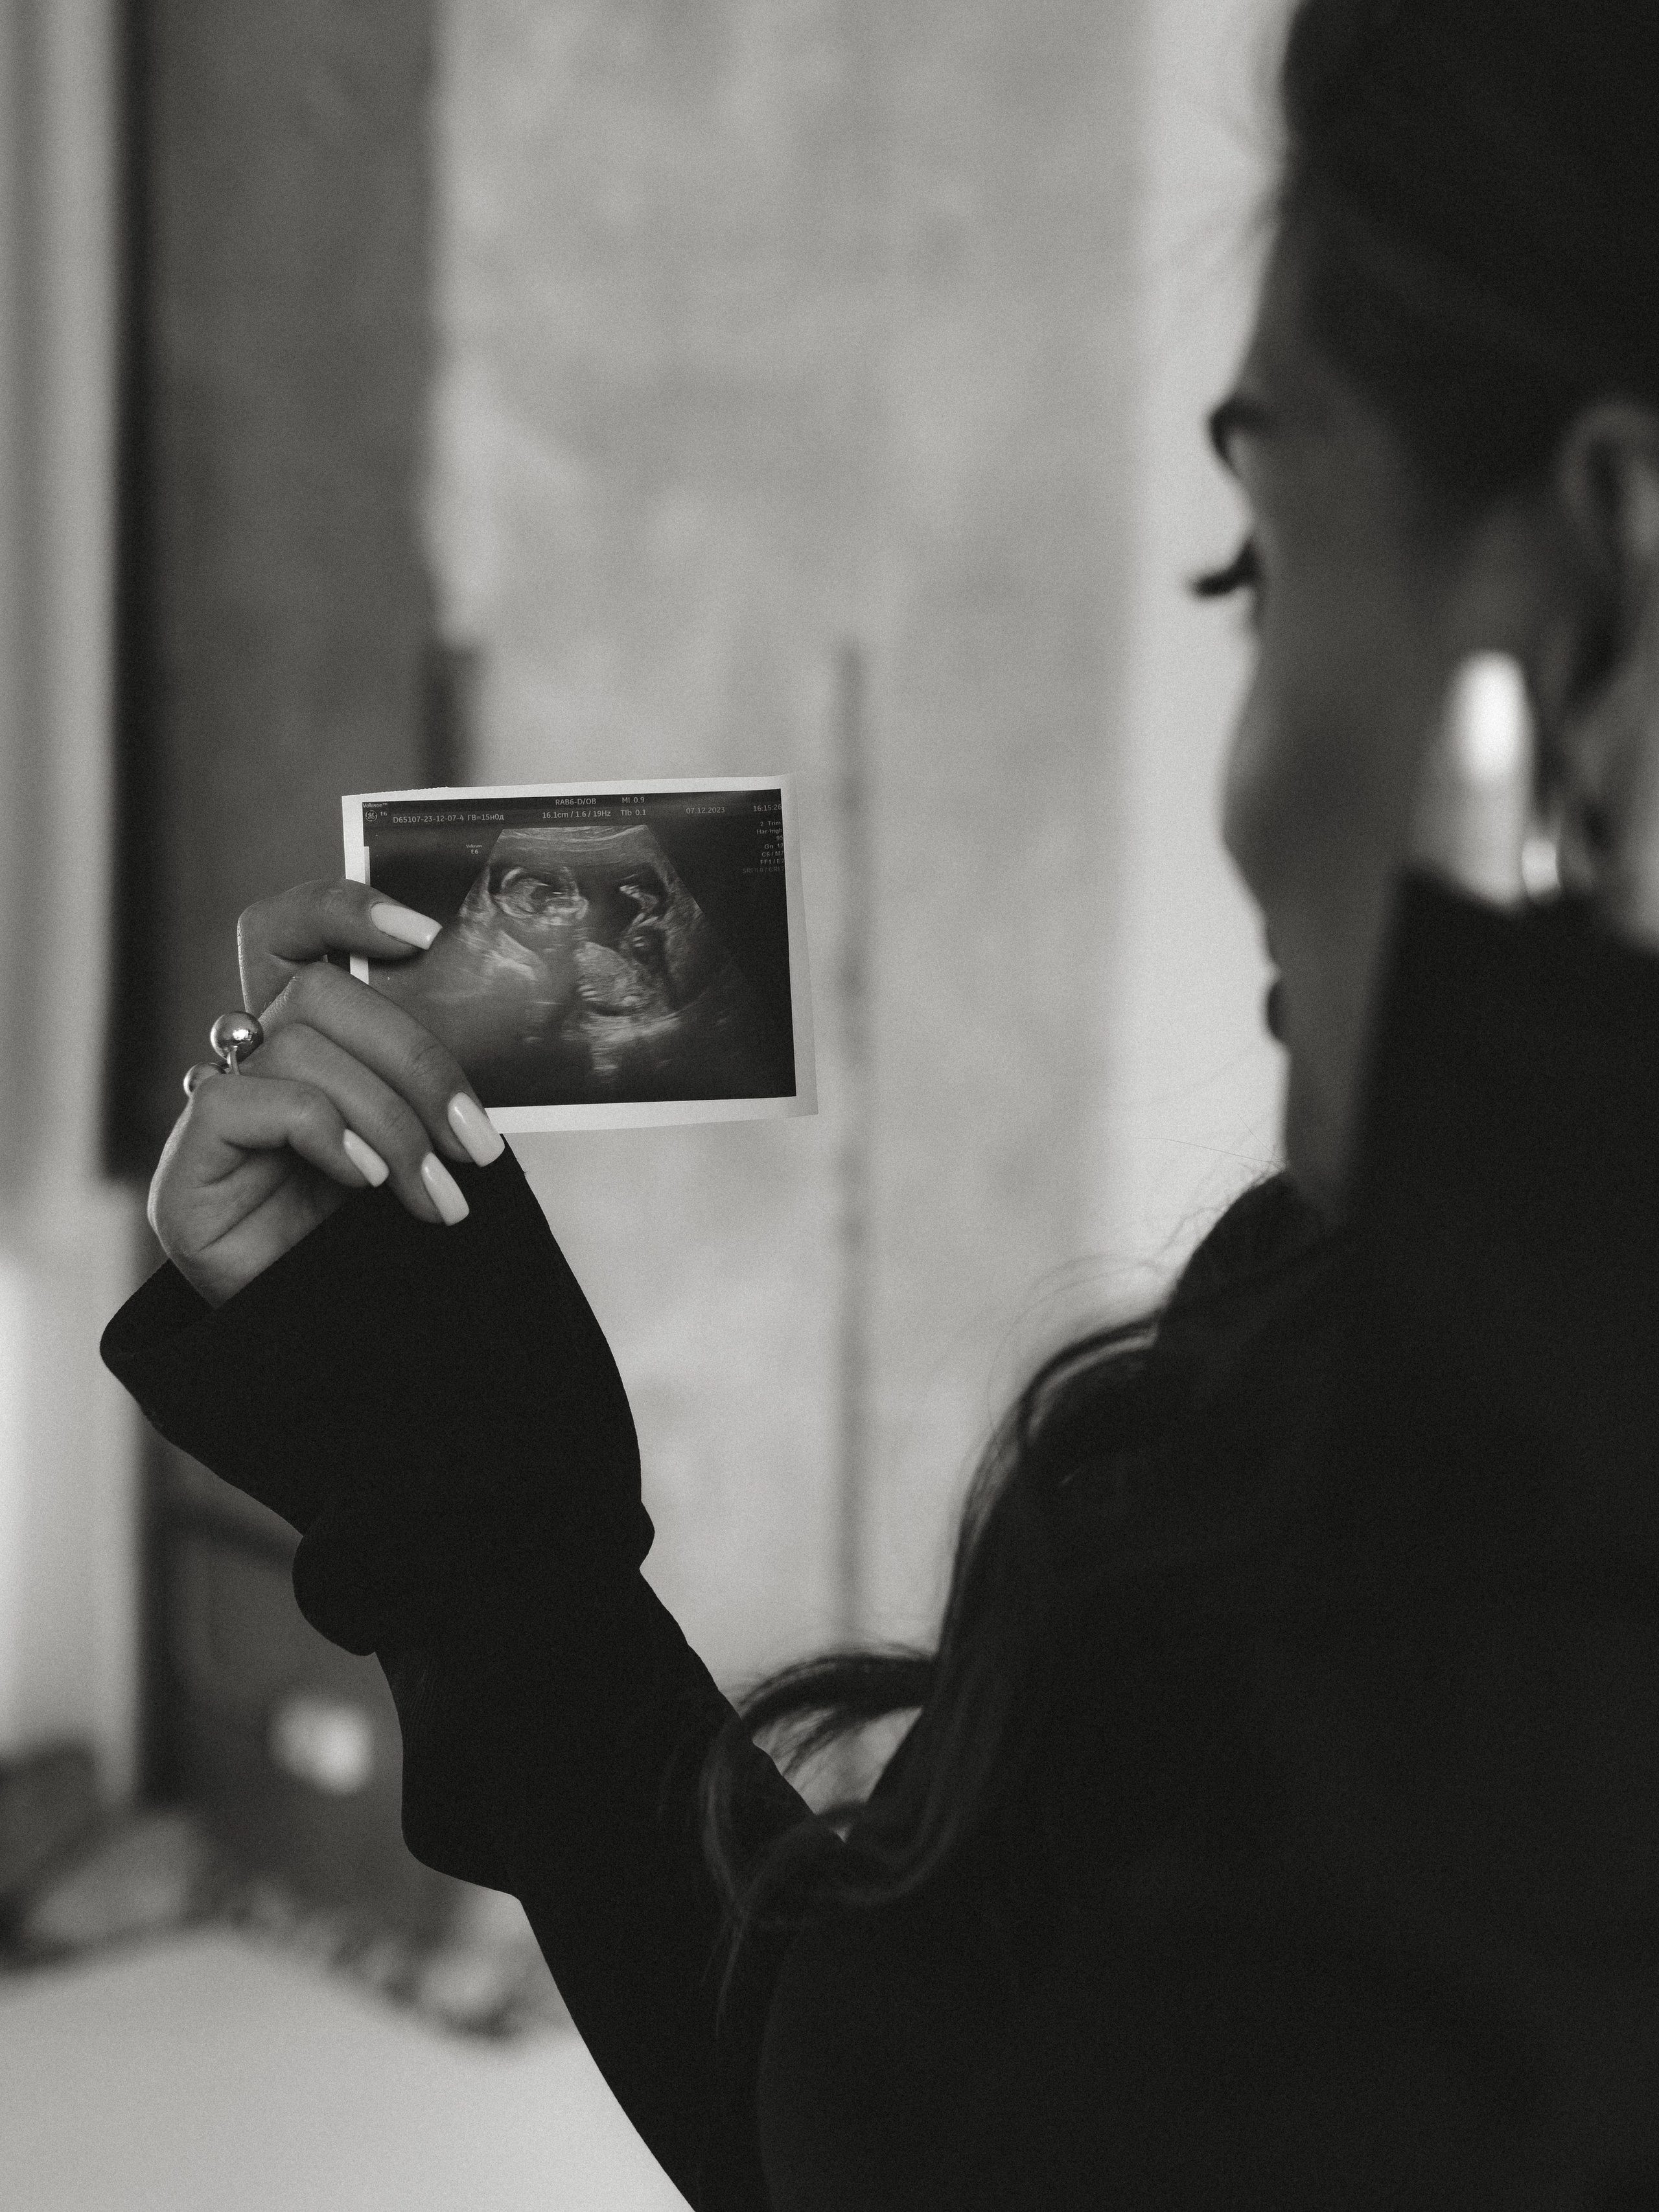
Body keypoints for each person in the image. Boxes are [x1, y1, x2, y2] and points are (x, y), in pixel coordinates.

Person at [102, 0, 1659, 2200]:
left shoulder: (1427, 1619)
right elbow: (871, 2112)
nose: (1234, 801)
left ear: (1601, 617)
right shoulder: (1365, 1390)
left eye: (1263, 564)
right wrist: (470, 1491)